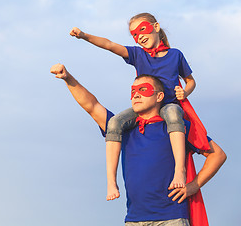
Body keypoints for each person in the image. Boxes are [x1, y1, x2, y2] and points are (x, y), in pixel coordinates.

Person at [50, 63, 226, 226]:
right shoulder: (123, 129)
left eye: (143, 90)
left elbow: (217, 154)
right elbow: (92, 105)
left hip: (172, 218)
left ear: (159, 96)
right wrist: (68, 78)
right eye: (133, 91)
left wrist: (193, 186)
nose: (136, 95)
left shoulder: (177, 128)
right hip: (134, 219)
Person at [70, 13, 197, 199]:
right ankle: (111, 182)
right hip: (144, 107)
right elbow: (110, 45)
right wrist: (84, 36)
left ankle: (180, 170)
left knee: (173, 115)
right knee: (114, 123)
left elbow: (191, 81)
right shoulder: (138, 54)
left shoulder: (175, 55)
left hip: (168, 104)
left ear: (156, 27)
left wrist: (185, 92)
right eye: (135, 35)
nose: (139, 36)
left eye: (142, 30)